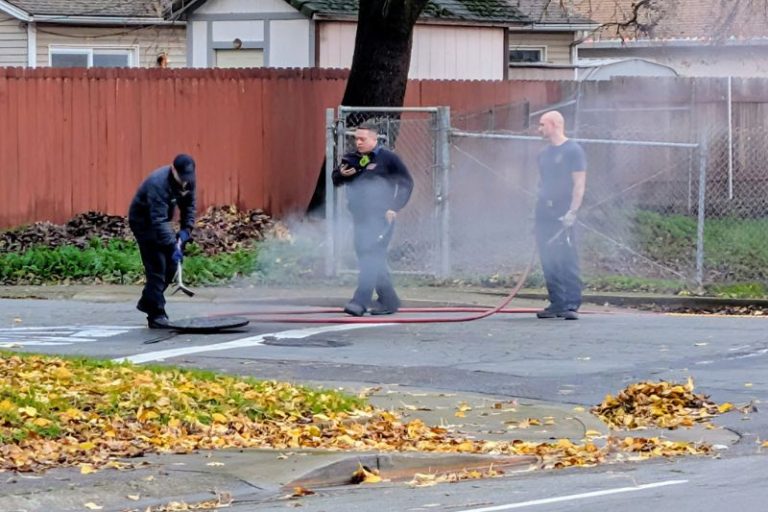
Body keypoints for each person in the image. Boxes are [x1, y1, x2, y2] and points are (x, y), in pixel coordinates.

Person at [332, 122, 414, 316]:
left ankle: (360, 301)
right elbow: (336, 179)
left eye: (363, 139)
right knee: (369, 258)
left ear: (375, 139)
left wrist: (394, 207)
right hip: (360, 218)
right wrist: (341, 174)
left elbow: (406, 183)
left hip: (380, 218)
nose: (358, 143)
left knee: (370, 256)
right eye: (356, 139)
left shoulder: (388, 159)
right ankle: (389, 300)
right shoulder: (353, 159)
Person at [128, 154, 196, 328]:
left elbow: (189, 207)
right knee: (157, 266)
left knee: (172, 266)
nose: (185, 182)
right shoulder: (158, 183)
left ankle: (148, 300)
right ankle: (156, 314)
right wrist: (173, 246)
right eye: (182, 177)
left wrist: (185, 231)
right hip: (144, 222)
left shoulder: (188, 180)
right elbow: (158, 220)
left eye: (188, 178)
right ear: (173, 170)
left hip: (162, 222)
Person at [534, 111, 587, 320]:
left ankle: (571, 303)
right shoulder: (543, 154)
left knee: (566, 256)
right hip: (544, 211)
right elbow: (542, 183)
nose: (539, 129)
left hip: (563, 211)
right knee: (548, 257)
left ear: (555, 124)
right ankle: (556, 302)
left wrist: (572, 212)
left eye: (542, 125)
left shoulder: (573, 151)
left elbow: (579, 184)